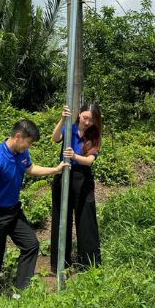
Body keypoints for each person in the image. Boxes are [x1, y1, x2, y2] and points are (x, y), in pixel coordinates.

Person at [0, 119, 67, 297]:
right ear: (18, 136)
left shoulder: (21, 152)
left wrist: (55, 170)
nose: (29, 147)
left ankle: (19, 292)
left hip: (14, 211)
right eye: (29, 142)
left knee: (31, 245)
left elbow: (30, 169)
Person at [50, 103, 103, 275]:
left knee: (85, 219)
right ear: (79, 114)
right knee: (61, 218)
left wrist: (75, 156)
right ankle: (60, 263)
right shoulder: (69, 128)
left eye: (91, 120)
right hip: (63, 175)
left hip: (83, 178)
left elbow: (89, 161)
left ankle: (88, 264)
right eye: (85, 117)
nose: (87, 122)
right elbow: (55, 137)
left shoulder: (94, 136)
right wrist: (62, 119)